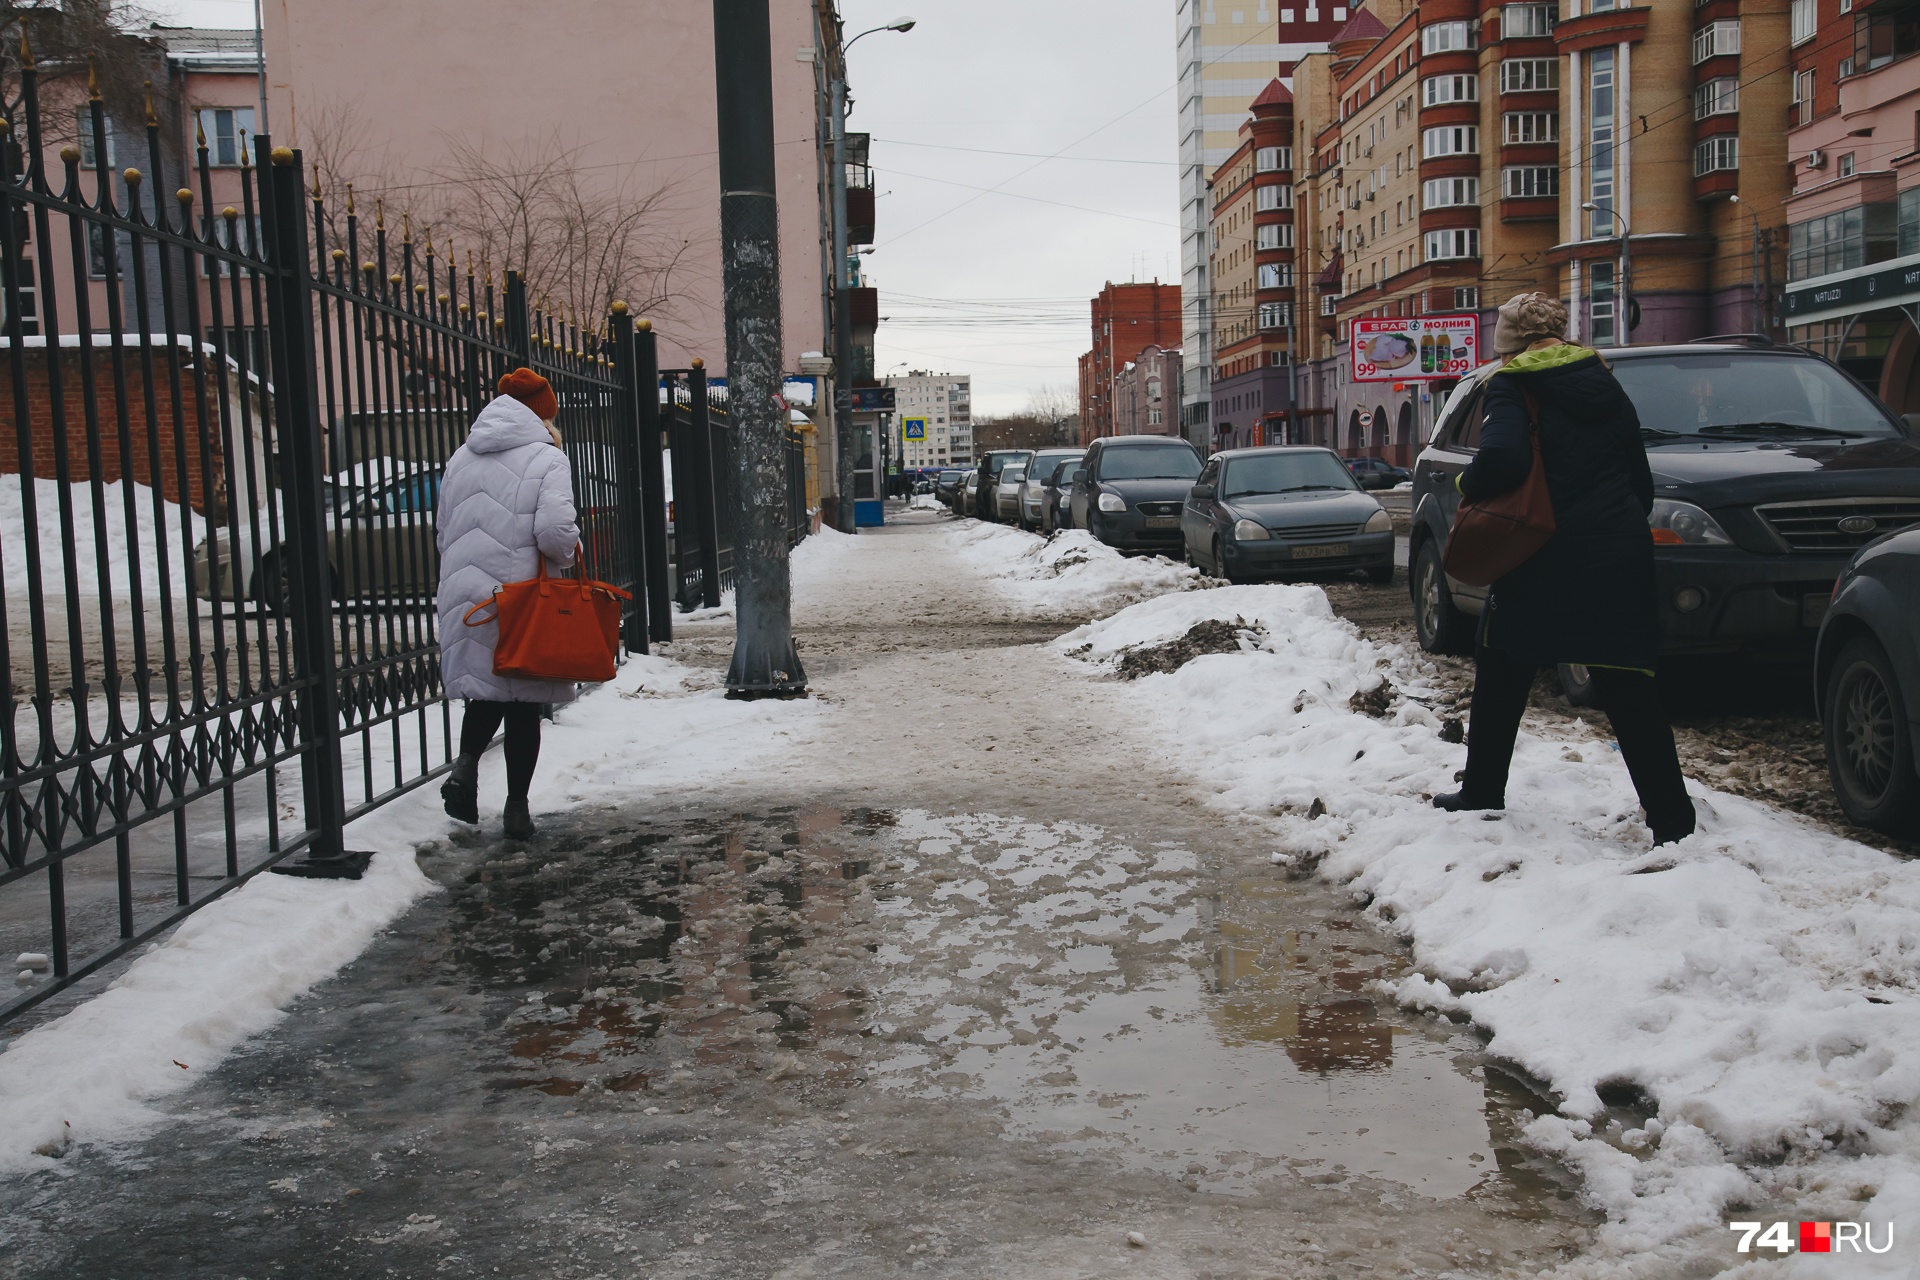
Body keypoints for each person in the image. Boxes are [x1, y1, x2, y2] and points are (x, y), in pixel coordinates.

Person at [1432, 292, 1696, 846]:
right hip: (1617, 550)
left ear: (1509, 343)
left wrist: (1468, 484)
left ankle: (1482, 789)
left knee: (1502, 665)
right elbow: (1638, 476)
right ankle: (1672, 818)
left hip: (1540, 552)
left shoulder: (1511, 384)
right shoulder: (1603, 379)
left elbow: (1504, 457)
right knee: (1628, 683)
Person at [436, 367, 581, 839]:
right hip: (521, 597)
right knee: (522, 702)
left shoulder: (461, 456)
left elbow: (443, 529)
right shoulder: (548, 457)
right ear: (544, 413)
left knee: (486, 687)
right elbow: (555, 534)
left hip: (466, 591)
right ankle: (517, 810)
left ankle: (465, 765)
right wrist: (567, 554)